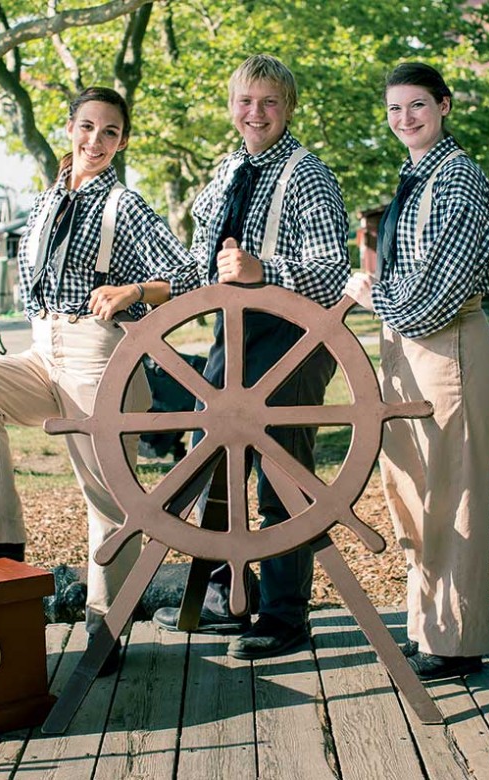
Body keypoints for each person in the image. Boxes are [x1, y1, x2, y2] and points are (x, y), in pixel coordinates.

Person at [0, 86, 196, 675]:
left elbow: (188, 272)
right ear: (70, 128)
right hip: (43, 349)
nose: (95, 141)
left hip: (101, 354)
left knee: (106, 495)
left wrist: (134, 291)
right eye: (87, 127)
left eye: (109, 132)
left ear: (122, 140)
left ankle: (107, 627)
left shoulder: (124, 205)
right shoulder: (48, 199)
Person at [153, 54, 350, 660]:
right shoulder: (225, 173)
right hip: (230, 336)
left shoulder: (307, 175)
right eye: (246, 101)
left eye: (269, 102)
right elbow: (195, 266)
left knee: (281, 476)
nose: (255, 113)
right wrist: (139, 291)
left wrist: (265, 271)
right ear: (231, 106)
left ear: (288, 108)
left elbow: (331, 273)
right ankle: (225, 597)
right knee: (210, 462)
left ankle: (286, 617)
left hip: (293, 339)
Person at [344, 62, 489, 680]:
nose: (404, 119)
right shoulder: (417, 174)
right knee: (412, 492)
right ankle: (428, 624)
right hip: (409, 347)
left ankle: (458, 642)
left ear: (444, 106)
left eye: (417, 106)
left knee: (453, 495)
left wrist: (372, 295)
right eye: (394, 109)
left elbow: (436, 297)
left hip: (449, 348)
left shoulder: (457, 180)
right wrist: (382, 297)